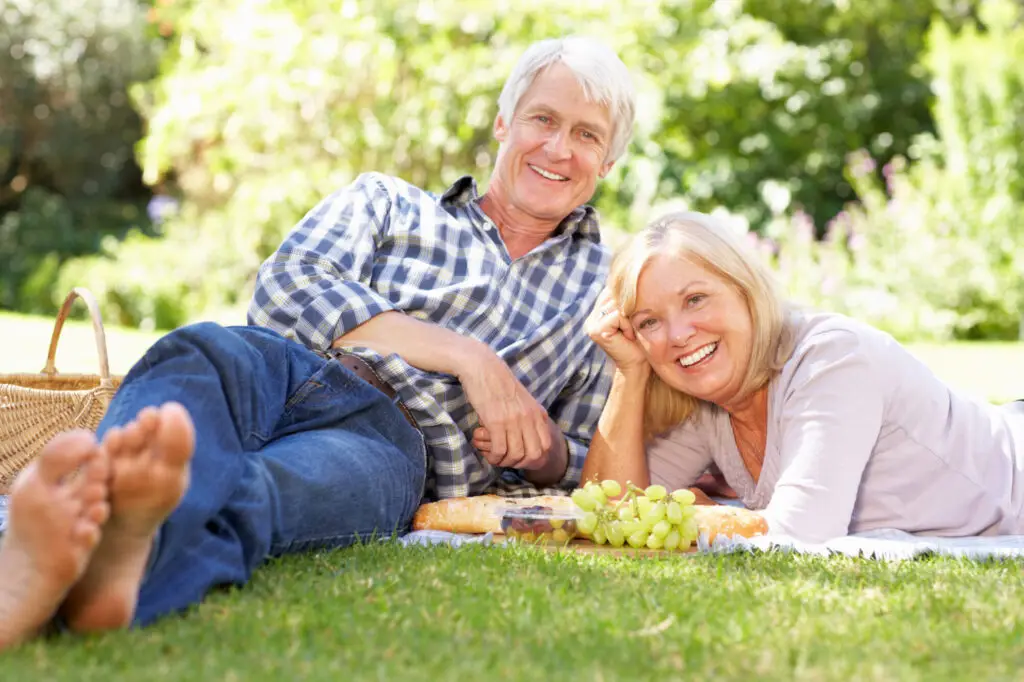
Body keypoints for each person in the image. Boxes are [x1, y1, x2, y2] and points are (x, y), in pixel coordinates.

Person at [0, 35, 637, 647]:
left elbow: (589, 466)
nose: (558, 147)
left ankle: (96, 567)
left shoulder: (603, 296)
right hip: (285, 365)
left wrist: (542, 446)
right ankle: (94, 536)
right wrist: (470, 359)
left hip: (394, 442)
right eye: (542, 119)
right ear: (504, 124)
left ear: (608, 162)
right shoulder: (388, 202)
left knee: (264, 493)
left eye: (587, 135)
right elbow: (285, 287)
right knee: (201, 354)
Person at [581, 210, 1024, 544]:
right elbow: (609, 509)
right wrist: (630, 371)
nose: (678, 335)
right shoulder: (709, 399)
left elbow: (799, 534)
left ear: (745, 290)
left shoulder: (831, 359)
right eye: (649, 323)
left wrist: (700, 515)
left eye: (695, 299)